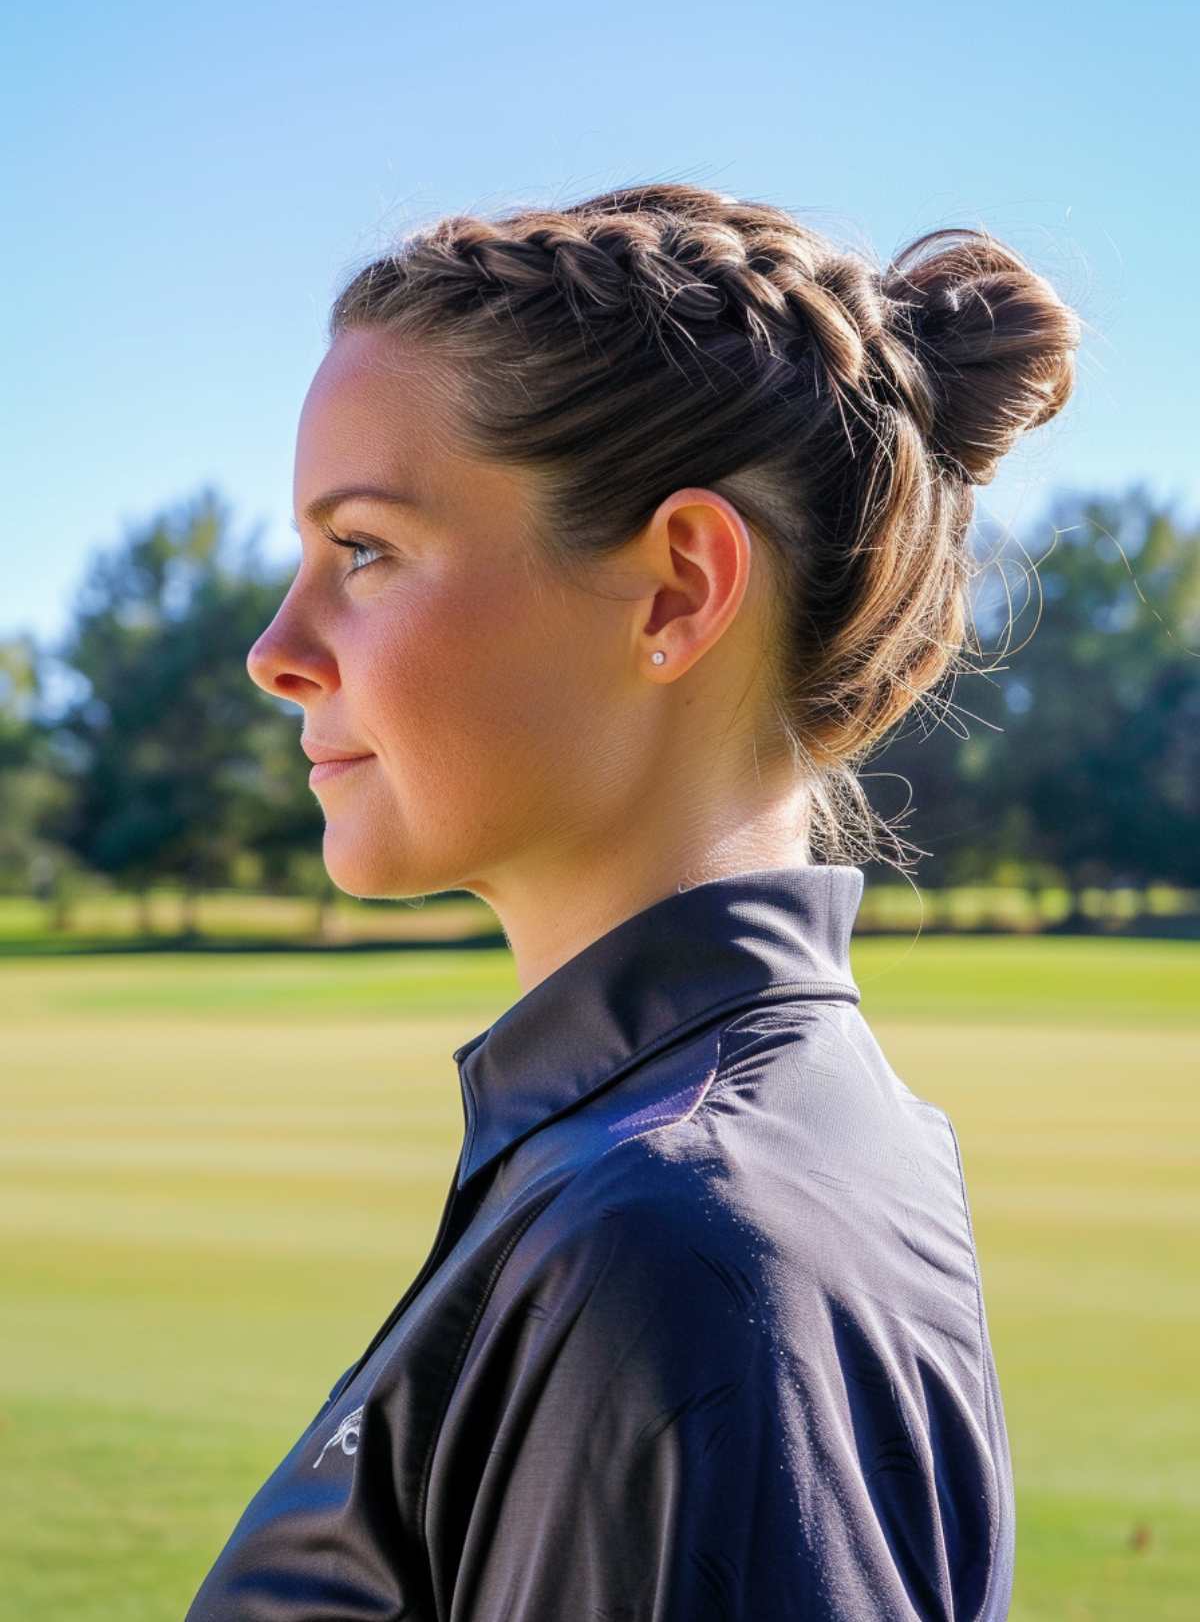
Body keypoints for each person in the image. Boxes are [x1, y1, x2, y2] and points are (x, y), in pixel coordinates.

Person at [187, 180, 1082, 1620]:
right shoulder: (708, 1163)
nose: (276, 649)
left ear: (677, 588)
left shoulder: (680, 1243)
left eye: (364, 549)